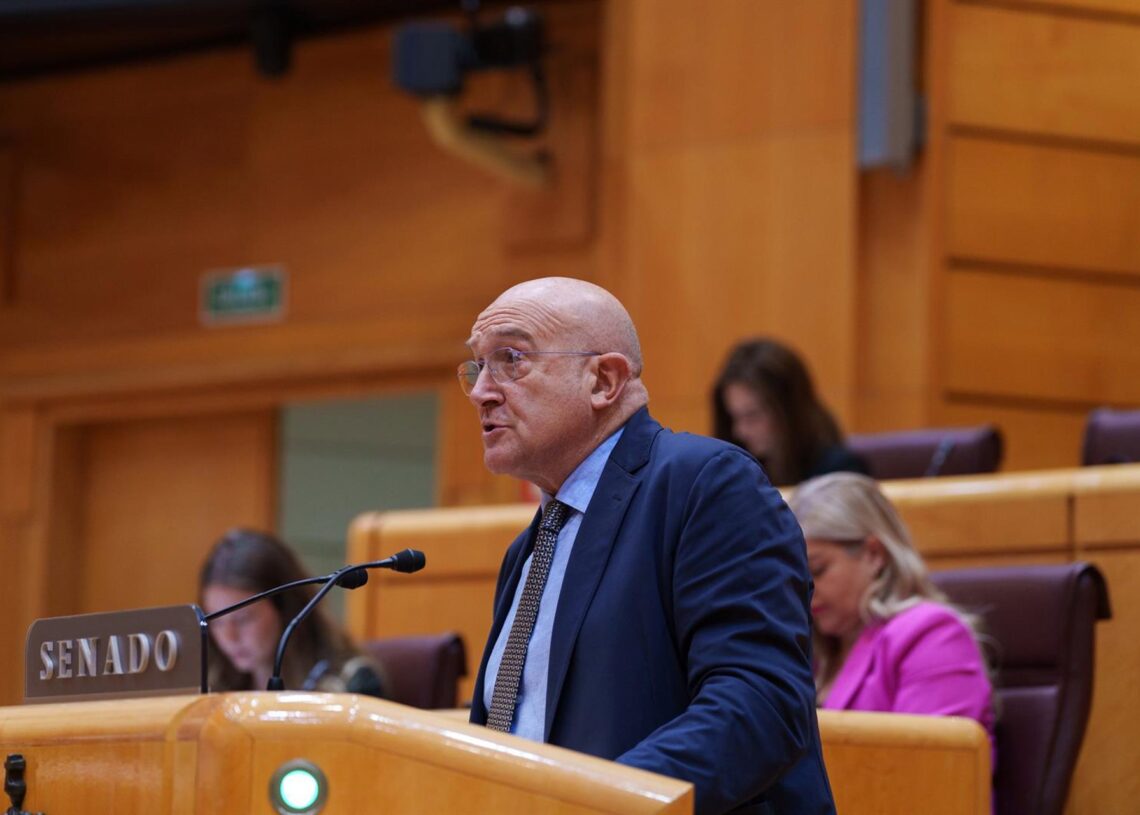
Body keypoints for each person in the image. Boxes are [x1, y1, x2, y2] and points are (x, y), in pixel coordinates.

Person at [460, 277, 834, 815]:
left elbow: (761, 704)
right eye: (477, 366)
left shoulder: (705, 484)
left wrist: (599, 804)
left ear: (604, 380)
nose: (481, 391)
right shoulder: (530, 548)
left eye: (511, 359)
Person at [787, 472, 994, 744]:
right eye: (794, 575)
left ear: (874, 554)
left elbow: (931, 770)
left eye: (817, 570)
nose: (805, 589)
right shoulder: (804, 651)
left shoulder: (932, 635)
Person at [199, 528, 387, 697]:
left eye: (243, 619)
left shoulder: (351, 680)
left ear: (286, 609)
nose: (229, 637)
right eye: (217, 621)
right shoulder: (209, 686)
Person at [711, 338, 868, 486]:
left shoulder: (838, 474)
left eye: (752, 415)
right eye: (734, 417)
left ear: (789, 412)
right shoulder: (738, 473)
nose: (740, 431)